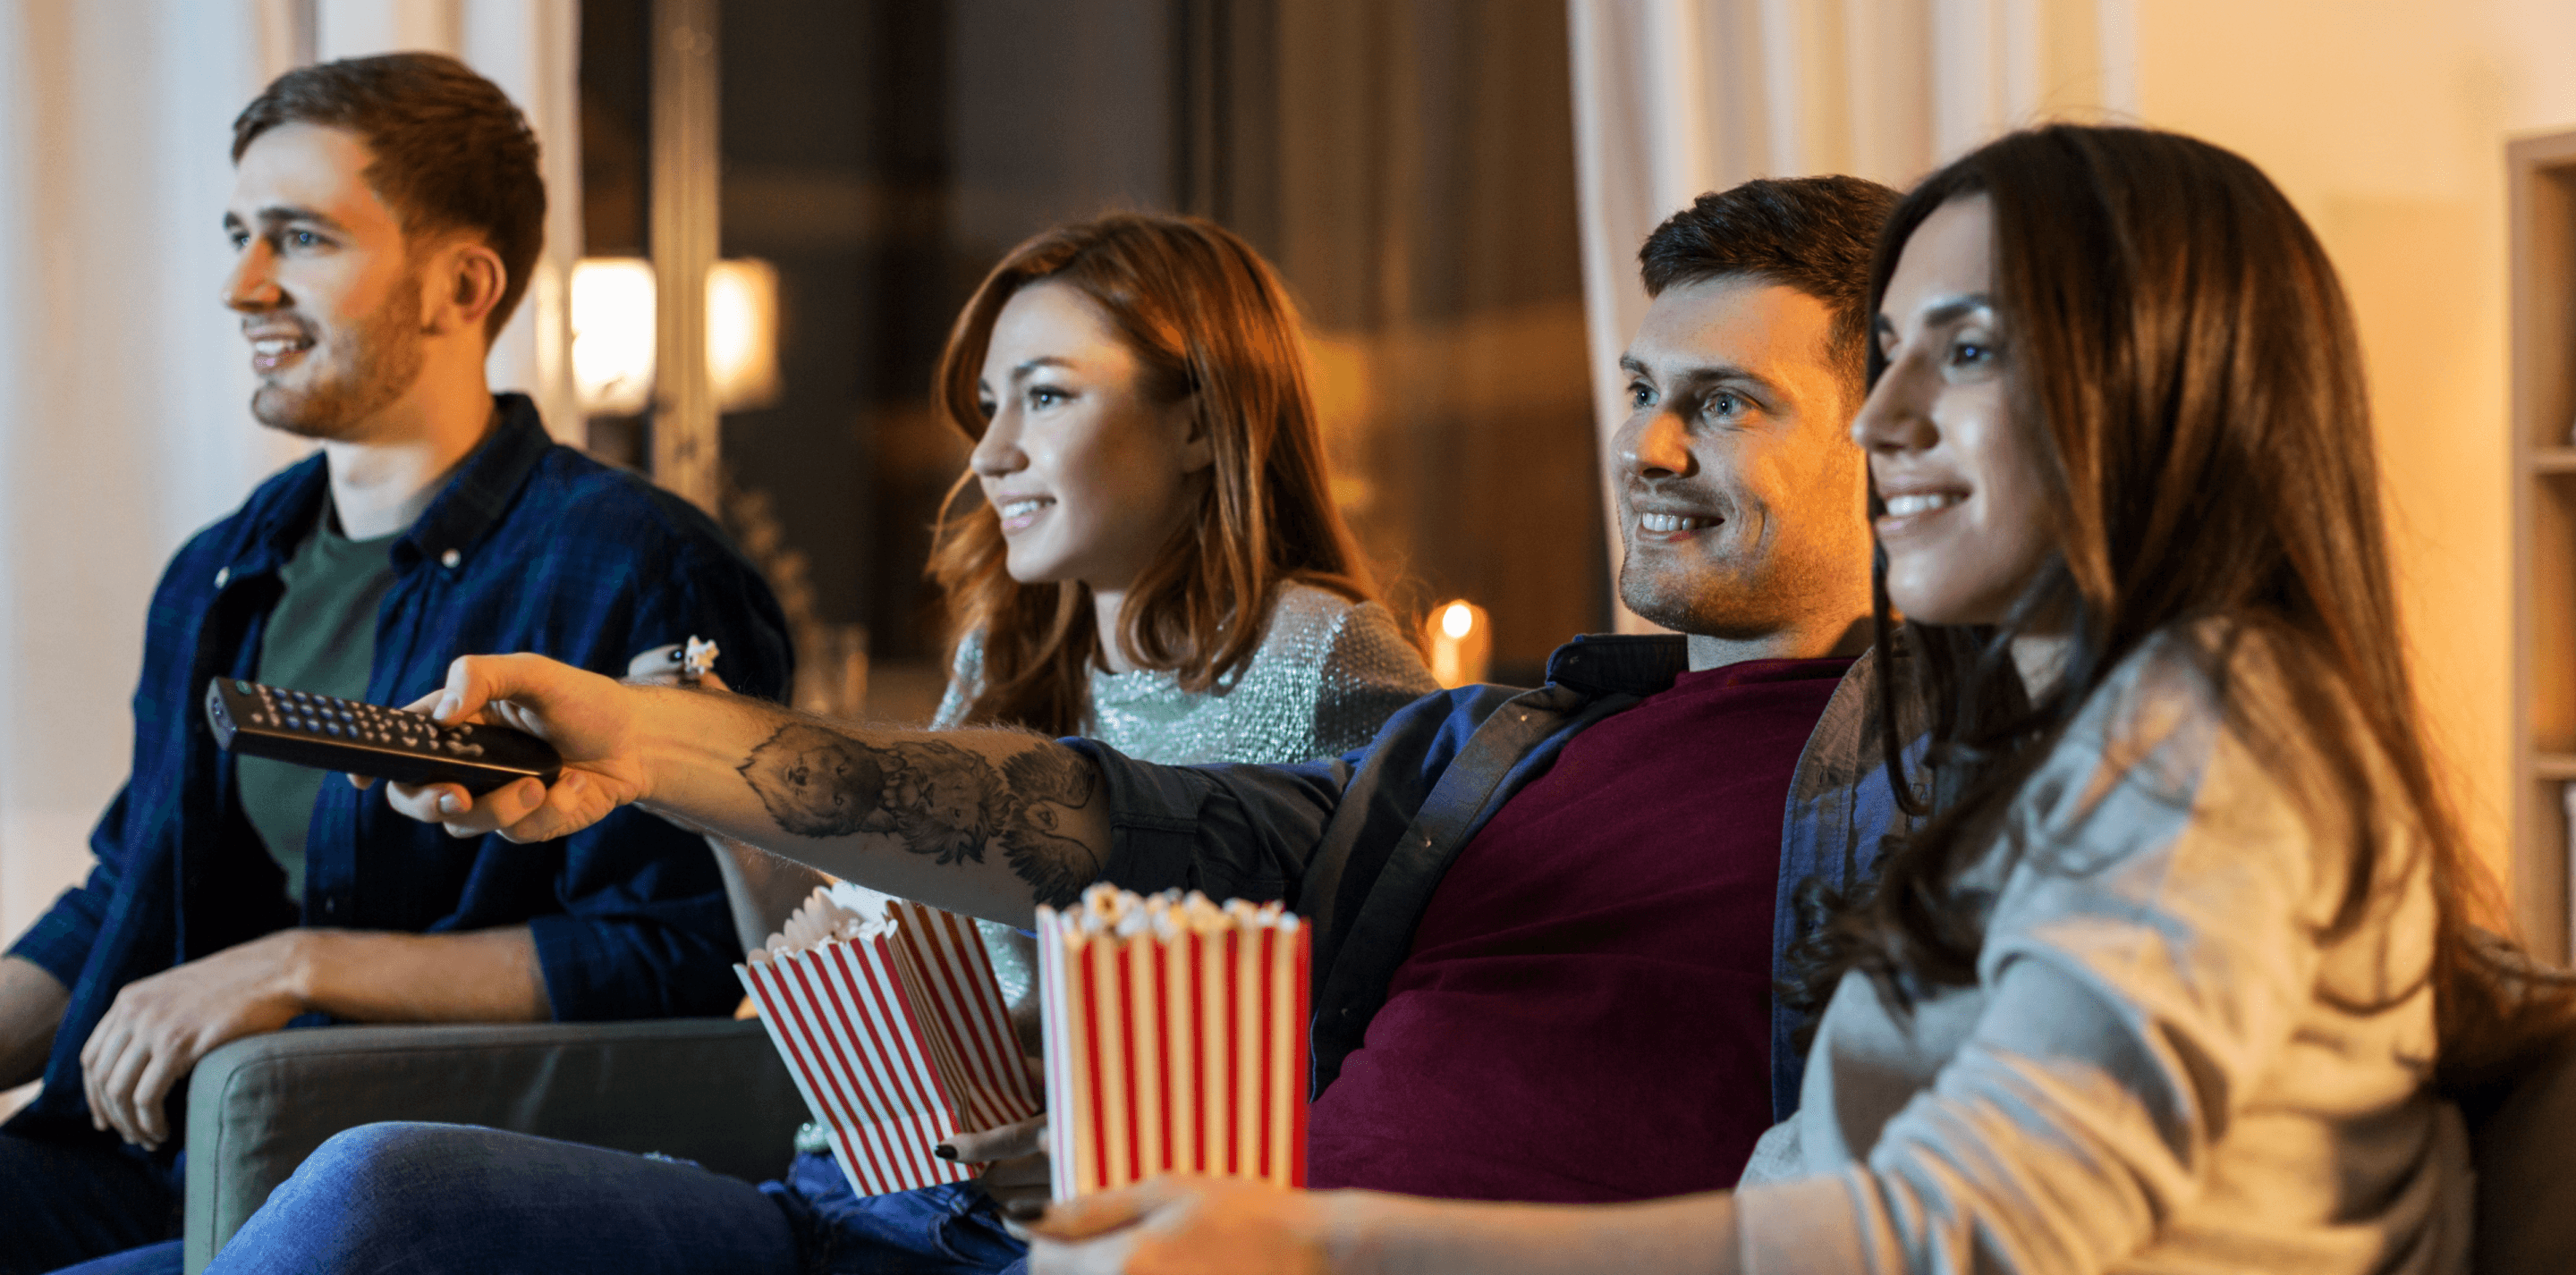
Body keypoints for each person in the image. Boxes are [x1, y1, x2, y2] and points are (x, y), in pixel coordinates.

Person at [208, 173, 1911, 1273]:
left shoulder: (1960, 772)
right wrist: (648, 749)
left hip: (1153, 1228)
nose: (1651, 451)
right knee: (382, 1192)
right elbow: (1094, 816)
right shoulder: (1488, 746)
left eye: (1726, 404)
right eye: (1638, 396)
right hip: (980, 1221)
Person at [975, 123, 2576, 1273]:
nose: (1880, 415)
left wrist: (1320, 1243)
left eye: (1963, 352)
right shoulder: (2060, 745)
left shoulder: (2205, 727)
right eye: (1883, 352)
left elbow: (1958, 1233)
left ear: (2152, 386)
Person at [191, 213, 1437, 1275]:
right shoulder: (1004, 657)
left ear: (1206, 425)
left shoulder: (1328, 658)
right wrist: (691, 778)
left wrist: (1124, 1138)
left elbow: (1409, 1040)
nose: (990, 452)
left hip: (1044, 1241)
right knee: (377, 1183)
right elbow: (852, 955)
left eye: (1046, 396)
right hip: (851, 1190)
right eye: (987, 406)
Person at [0, 53, 792, 1275]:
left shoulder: (643, 569)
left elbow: (673, 954)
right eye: (237, 233)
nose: (242, 284)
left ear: (461, 283)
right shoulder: (223, 568)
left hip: (397, 1190)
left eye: (301, 238)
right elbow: (128, 894)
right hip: (144, 1158)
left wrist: (297, 966)